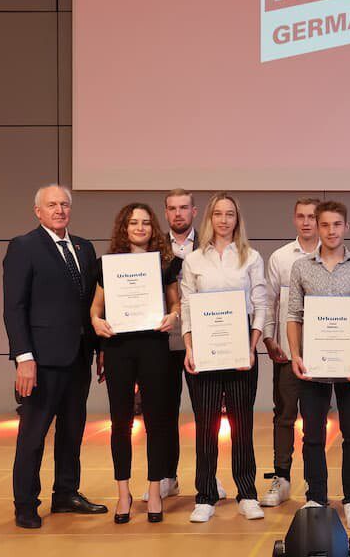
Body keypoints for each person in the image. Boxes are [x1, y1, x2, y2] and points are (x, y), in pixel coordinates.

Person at [4, 184, 108, 529]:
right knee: (33, 436)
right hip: (41, 360)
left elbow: (93, 304)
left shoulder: (83, 247)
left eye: (64, 204)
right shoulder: (23, 247)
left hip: (79, 356)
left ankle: (65, 493)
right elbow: (14, 308)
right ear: (38, 211)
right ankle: (25, 504)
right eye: (52, 205)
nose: (59, 210)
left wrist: (100, 349)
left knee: (72, 431)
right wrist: (24, 358)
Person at [285, 201, 350, 530]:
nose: (331, 230)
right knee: (312, 435)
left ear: (346, 227)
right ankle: (316, 497)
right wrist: (296, 355)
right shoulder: (301, 268)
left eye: (337, 224)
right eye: (324, 224)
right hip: (313, 366)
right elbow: (294, 316)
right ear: (317, 227)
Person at [180, 192, 270, 523]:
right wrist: (190, 348)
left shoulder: (251, 257)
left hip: (240, 349)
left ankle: (247, 494)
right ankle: (205, 495)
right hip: (205, 350)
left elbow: (260, 304)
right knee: (206, 426)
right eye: (218, 213)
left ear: (237, 219)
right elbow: (187, 307)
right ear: (209, 218)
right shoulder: (194, 260)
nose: (223, 219)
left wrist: (251, 346)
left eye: (229, 214)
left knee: (241, 425)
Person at [89, 203, 182, 523]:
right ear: (124, 228)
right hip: (118, 348)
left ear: (153, 227)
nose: (140, 227)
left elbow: (176, 303)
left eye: (145, 222)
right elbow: (96, 308)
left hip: (154, 347)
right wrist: (96, 321)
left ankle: (155, 490)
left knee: (157, 421)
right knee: (120, 422)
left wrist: (173, 316)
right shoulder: (108, 265)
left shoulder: (165, 264)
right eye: (133, 222)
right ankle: (123, 493)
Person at [260, 197, 321, 506]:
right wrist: (269, 338)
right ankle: (281, 478)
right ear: (294, 219)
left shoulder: (331, 256)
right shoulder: (280, 257)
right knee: (284, 416)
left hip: (322, 357)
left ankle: (315, 484)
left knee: (315, 421)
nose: (306, 222)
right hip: (286, 353)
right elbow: (270, 301)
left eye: (312, 216)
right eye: (301, 216)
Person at [152, 187, 200, 503]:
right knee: (164, 414)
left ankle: (208, 477)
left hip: (201, 342)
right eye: (172, 208)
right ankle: (167, 477)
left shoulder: (209, 245)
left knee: (206, 413)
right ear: (166, 212)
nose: (178, 213)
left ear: (194, 212)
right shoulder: (152, 249)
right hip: (164, 342)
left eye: (184, 208)